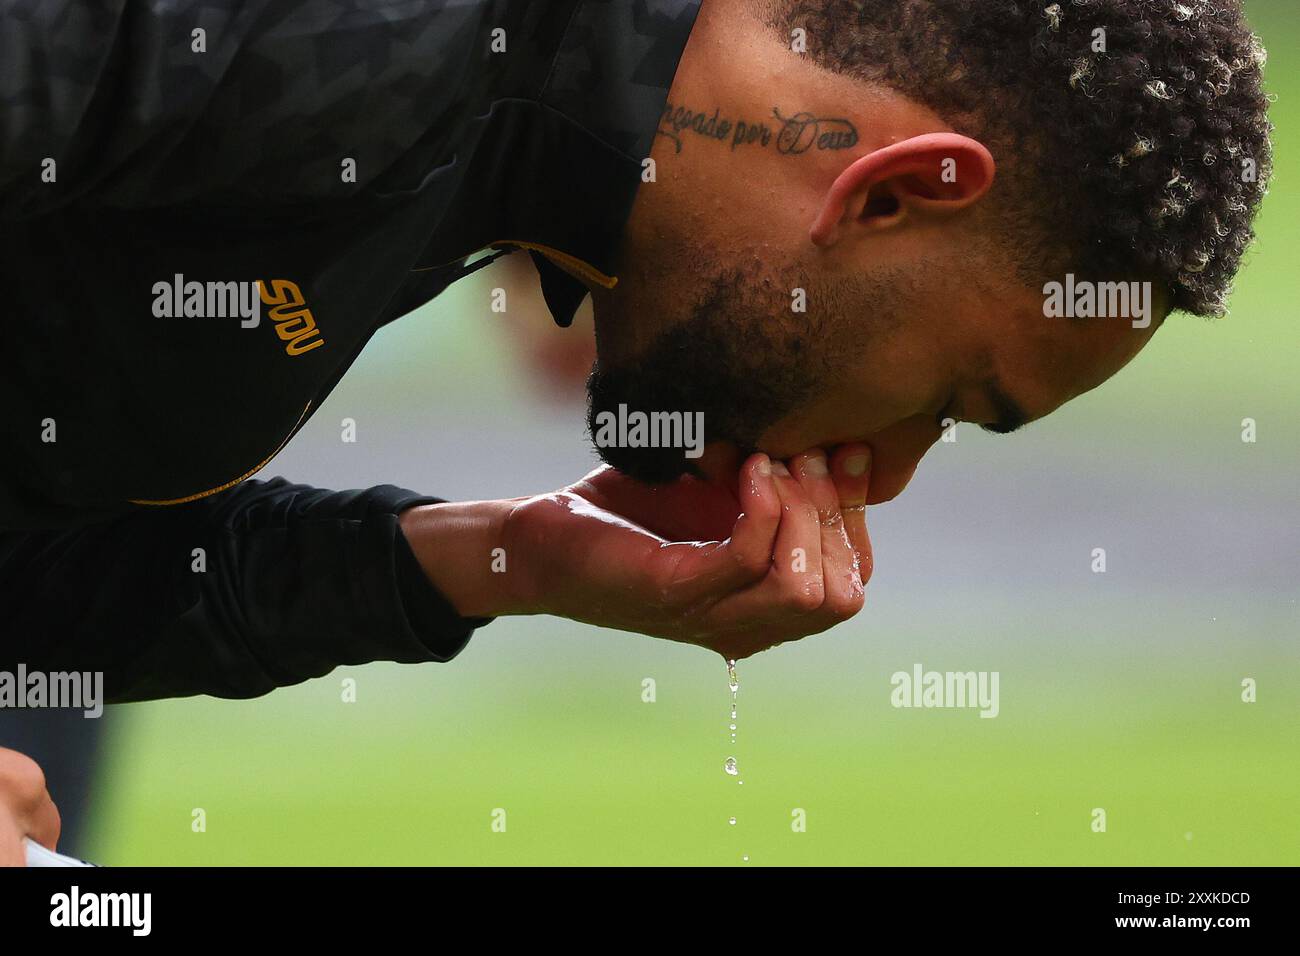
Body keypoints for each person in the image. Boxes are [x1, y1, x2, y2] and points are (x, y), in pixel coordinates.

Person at [0, 0, 1272, 859]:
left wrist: (499, 556)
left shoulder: (517, 144)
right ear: (892, 192)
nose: (877, 479)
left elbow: (34, 571)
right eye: (946, 402)